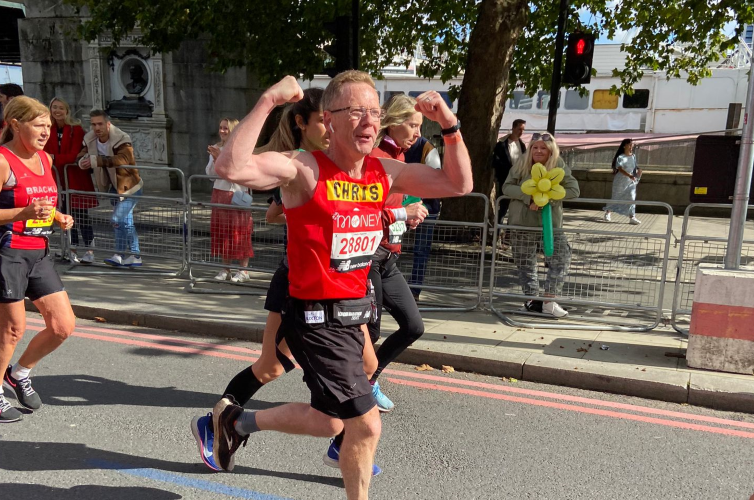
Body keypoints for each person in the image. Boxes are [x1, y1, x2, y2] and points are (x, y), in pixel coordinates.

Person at [208, 71, 471, 500]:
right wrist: (269, 99)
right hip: (315, 317)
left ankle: (235, 422)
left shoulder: (384, 173)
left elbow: (459, 184)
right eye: (356, 112)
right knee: (366, 423)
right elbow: (231, 166)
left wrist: (450, 125)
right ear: (328, 120)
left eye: (374, 112)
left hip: (355, 314)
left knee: (330, 421)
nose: (369, 121)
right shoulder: (304, 169)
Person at [0, 96, 76, 423]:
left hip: (39, 251)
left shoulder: (46, 159)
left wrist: (57, 216)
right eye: (38, 125)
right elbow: (24, 207)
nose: (46, 131)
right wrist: (24, 212)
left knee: (62, 326)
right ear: (15, 125)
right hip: (8, 252)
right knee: (12, 330)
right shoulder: (3, 160)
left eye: (48, 125)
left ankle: (18, 373)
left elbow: (41, 202)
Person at [366, 94, 429, 412]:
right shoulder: (377, 157)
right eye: (413, 125)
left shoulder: (400, 159)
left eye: (420, 126)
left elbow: (394, 207)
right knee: (370, 333)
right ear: (394, 121)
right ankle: (350, 390)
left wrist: (409, 216)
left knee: (413, 326)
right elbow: (363, 213)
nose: (418, 132)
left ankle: (367, 380)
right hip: (368, 257)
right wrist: (404, 214)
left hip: (389, 257)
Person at [503, 132, 580, 318]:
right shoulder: (521, 164)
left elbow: (573, 190)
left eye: (543, 148)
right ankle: (532, 301)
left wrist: (547, 198)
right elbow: (506, 187)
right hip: (522, 224)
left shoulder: (559, 165)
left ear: (551, 150)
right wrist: (528, 196)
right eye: (535, 147)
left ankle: (549, 300)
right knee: (525, 264)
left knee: (561, 258)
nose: (538, 151)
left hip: (550, 226)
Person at [77, 110, 142, 267]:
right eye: (93, 124)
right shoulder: (90, 139)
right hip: (113, 186)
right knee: (125, 222)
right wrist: (82, 161)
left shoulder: (122, 138)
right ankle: (120, 255)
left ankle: (136, 255)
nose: (97, 128)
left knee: (117, 219)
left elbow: (124, 158)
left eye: (100, 124)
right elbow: (81, 154)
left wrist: (97, 160)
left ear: (108, 124)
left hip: (129, 186)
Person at [44, 97, 96, 264]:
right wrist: (56, 158)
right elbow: (45, 153)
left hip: (75, 178)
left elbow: (74, 155)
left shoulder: (76, 129)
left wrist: (54, 158)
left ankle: (89, 250)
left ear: (67, 111)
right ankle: (71, 249)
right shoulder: (47, 128)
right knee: (65, 215)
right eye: (54, 107)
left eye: (61, 108)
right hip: (57, 178)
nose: (57, 111)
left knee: (81, 215)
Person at [204, 117, 255, 282]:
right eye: (221, 127)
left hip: (237, 194)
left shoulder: (241, 149)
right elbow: (211, 175)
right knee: (222, 231)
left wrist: (220, 158)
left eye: (226, 128)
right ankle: (225, 268)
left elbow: (234, 174)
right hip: (219, 193)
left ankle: (243, 270)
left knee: (240, 232)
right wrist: (214, 160)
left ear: (233, 130)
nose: (222, 131)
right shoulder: (217, 147)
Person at [404, 135, 441, 299]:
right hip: (401, 205)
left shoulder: (428, 148)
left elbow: (435, 179)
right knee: (387, 247)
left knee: (421, 250)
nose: (415, 132)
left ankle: (414, 289)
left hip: (426, 207)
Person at [492, 119, 526, 223]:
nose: (521, 132)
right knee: (503, 207)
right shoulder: (501, 145)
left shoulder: (522, 145)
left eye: (523, 130)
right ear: (513, 128)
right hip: (505, 179)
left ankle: (509, 232)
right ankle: (497, 231)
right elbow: (495, 162)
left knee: (517, 209)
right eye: (519, 129)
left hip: (520, 180)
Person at [603, 138, 642, 225]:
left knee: (632, 197)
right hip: (620, 181)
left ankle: (632, 217)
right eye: (630, 144)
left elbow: (634, 167)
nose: (631, 146)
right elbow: (620, 168)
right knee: (616, 197)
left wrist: (638, 170)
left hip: (630, 181)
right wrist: (629, 175)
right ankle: (608, 212)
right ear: (625, 146)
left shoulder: (633, 156)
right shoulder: (620, 157)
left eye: (632, 145)